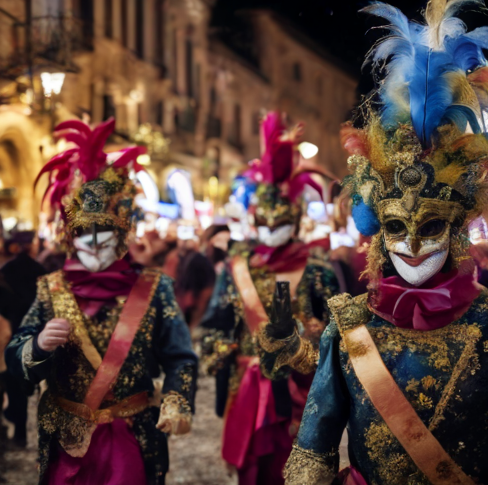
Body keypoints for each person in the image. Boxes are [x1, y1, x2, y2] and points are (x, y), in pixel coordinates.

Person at [261, 0, 488, 484]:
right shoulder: (348, 323)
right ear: (377, 230)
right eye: (397, 225)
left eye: (432, 224)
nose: (414, 244)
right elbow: (314, 443)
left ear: (458, 226)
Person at [6, 118, 197, 485]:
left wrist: (176, 399)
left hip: (131, 436)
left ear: (122, 234)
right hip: (66, 440)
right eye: (84, 235)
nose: (94, 245)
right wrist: (38, 345)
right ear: (70, 237)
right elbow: (15, 354)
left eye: (105, 235)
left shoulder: (154, 288)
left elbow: (180, 357)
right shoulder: (50, 288)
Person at [202, 112, 340, 485]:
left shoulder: (317, 270)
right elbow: (214, 323)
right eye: (264, 224)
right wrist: (221, 353)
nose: (271, 232)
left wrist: (311, 342)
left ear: (294, 220)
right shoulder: (237, 267)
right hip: (247, 387)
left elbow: (339, 335)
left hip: (301, 388)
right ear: (253, 221)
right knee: (252, 471)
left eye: (280, 225)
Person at [0, 230, 47, 447]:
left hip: (10, 334)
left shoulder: (7, 271)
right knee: (22, 384)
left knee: (11, 382)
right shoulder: (40, 271)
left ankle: (14, 428)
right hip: (32, 333)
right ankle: (20, 432)